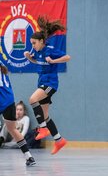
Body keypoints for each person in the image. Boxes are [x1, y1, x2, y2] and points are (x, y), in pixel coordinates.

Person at [24, 15, 71, 155]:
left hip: (50, 83)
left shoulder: (50, 49)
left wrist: (53, 61)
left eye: (34, 43)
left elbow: (68, 57)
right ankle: (59, 140)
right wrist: (29, 58)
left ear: (41, 41)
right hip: (42, 82)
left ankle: (43, 128)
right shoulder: (37, 52)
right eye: (31, 43)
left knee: (32, 99)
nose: (32, 46)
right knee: (45, 115)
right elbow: (36, 62)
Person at [0, 63, 35, 166]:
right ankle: (29, 156)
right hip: (9, 102)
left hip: (3, 101)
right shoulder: (3, 71)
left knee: (12, 129)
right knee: (13, 130)